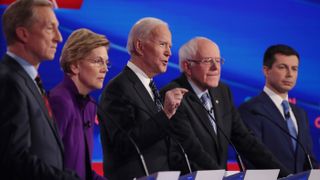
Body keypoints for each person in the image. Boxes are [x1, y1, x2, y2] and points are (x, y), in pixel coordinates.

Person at [161, 37, 290, 177]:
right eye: (207, 61)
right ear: (187, 66)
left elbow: (245, 140)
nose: (215, 68)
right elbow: (191, 149)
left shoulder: (222, 91)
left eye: (218, 61)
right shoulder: (173, 95)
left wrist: (285, 175)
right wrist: (220, 177)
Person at [98, 17, 187, 180]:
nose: (169, 52)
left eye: (170, 46)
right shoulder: (118, 88)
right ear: (140, 46)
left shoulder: (151, 88)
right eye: (162, 44)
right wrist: (165, 114)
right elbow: (125, 144)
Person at [0, 0, 79, 179]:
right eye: (50, 28)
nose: (59, 37)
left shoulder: (27, 80)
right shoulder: (9, 82)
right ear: (23, 34)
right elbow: (13, 160)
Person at [238, 44, 318, 173]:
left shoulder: (300, 113)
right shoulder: (251, 110)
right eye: (282, 67)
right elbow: (254, 158)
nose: (289, 74)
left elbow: (307, 159)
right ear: (266, 70)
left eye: (294, 69)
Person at [48, 28, 109, 180]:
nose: (105, 69)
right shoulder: (59, 101)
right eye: (97, 61)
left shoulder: (90, 106)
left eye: (106, 63)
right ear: (74, 66)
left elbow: (84, 173)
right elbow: (48, 167)